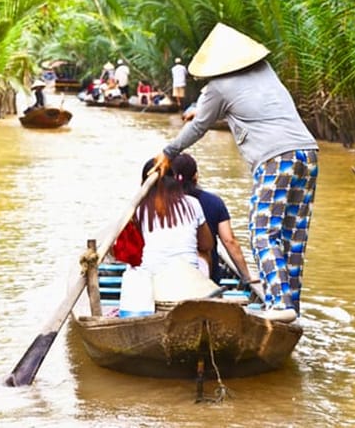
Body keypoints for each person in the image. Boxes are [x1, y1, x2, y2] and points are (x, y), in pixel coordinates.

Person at [153, 23, 318, 322]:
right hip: (307, 153)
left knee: (262, 231)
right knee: (293, 235)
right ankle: (292, 306)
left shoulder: (217, 87)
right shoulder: (266, 70)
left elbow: (199, 126)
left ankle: (279, 305)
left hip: (275, 158)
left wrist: (168, 152)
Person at [171, 153, 264, 301]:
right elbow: (229, 241)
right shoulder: (214, 202)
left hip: (169, 276)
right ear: (196, 176)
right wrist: (246, 276)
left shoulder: (161, 204)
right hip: (209, 277)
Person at [135, 159, 214, 278]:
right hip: (188, 275)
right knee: (204, 254)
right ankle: (205, 286)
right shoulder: (193, 203)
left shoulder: (139, 209)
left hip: (152, 274)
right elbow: (207, 245)